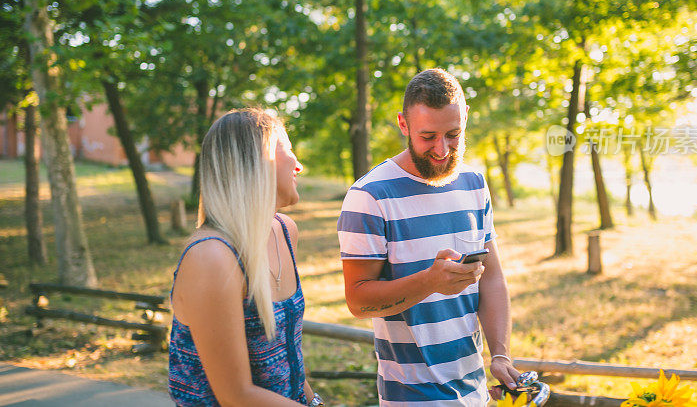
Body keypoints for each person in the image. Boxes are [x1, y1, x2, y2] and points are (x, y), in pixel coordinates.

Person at [337, 69, 520, 406]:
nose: (442, 149)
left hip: (476, 392)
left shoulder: (475, 183)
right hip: (412, 397)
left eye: (453, 134)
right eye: (428, 136)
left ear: (465, 116)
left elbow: (492, 278)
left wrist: (501, 355)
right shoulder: (370, 196)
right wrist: (431, 281)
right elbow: (358, 301)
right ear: (403, 125)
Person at [168, 108, 323, 406]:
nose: (299, 165)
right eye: (288, 149)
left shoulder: (284, 231)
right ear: (258, 160)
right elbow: (236, 396)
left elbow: (285, 361)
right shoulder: (211, 258)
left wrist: (314, 401)